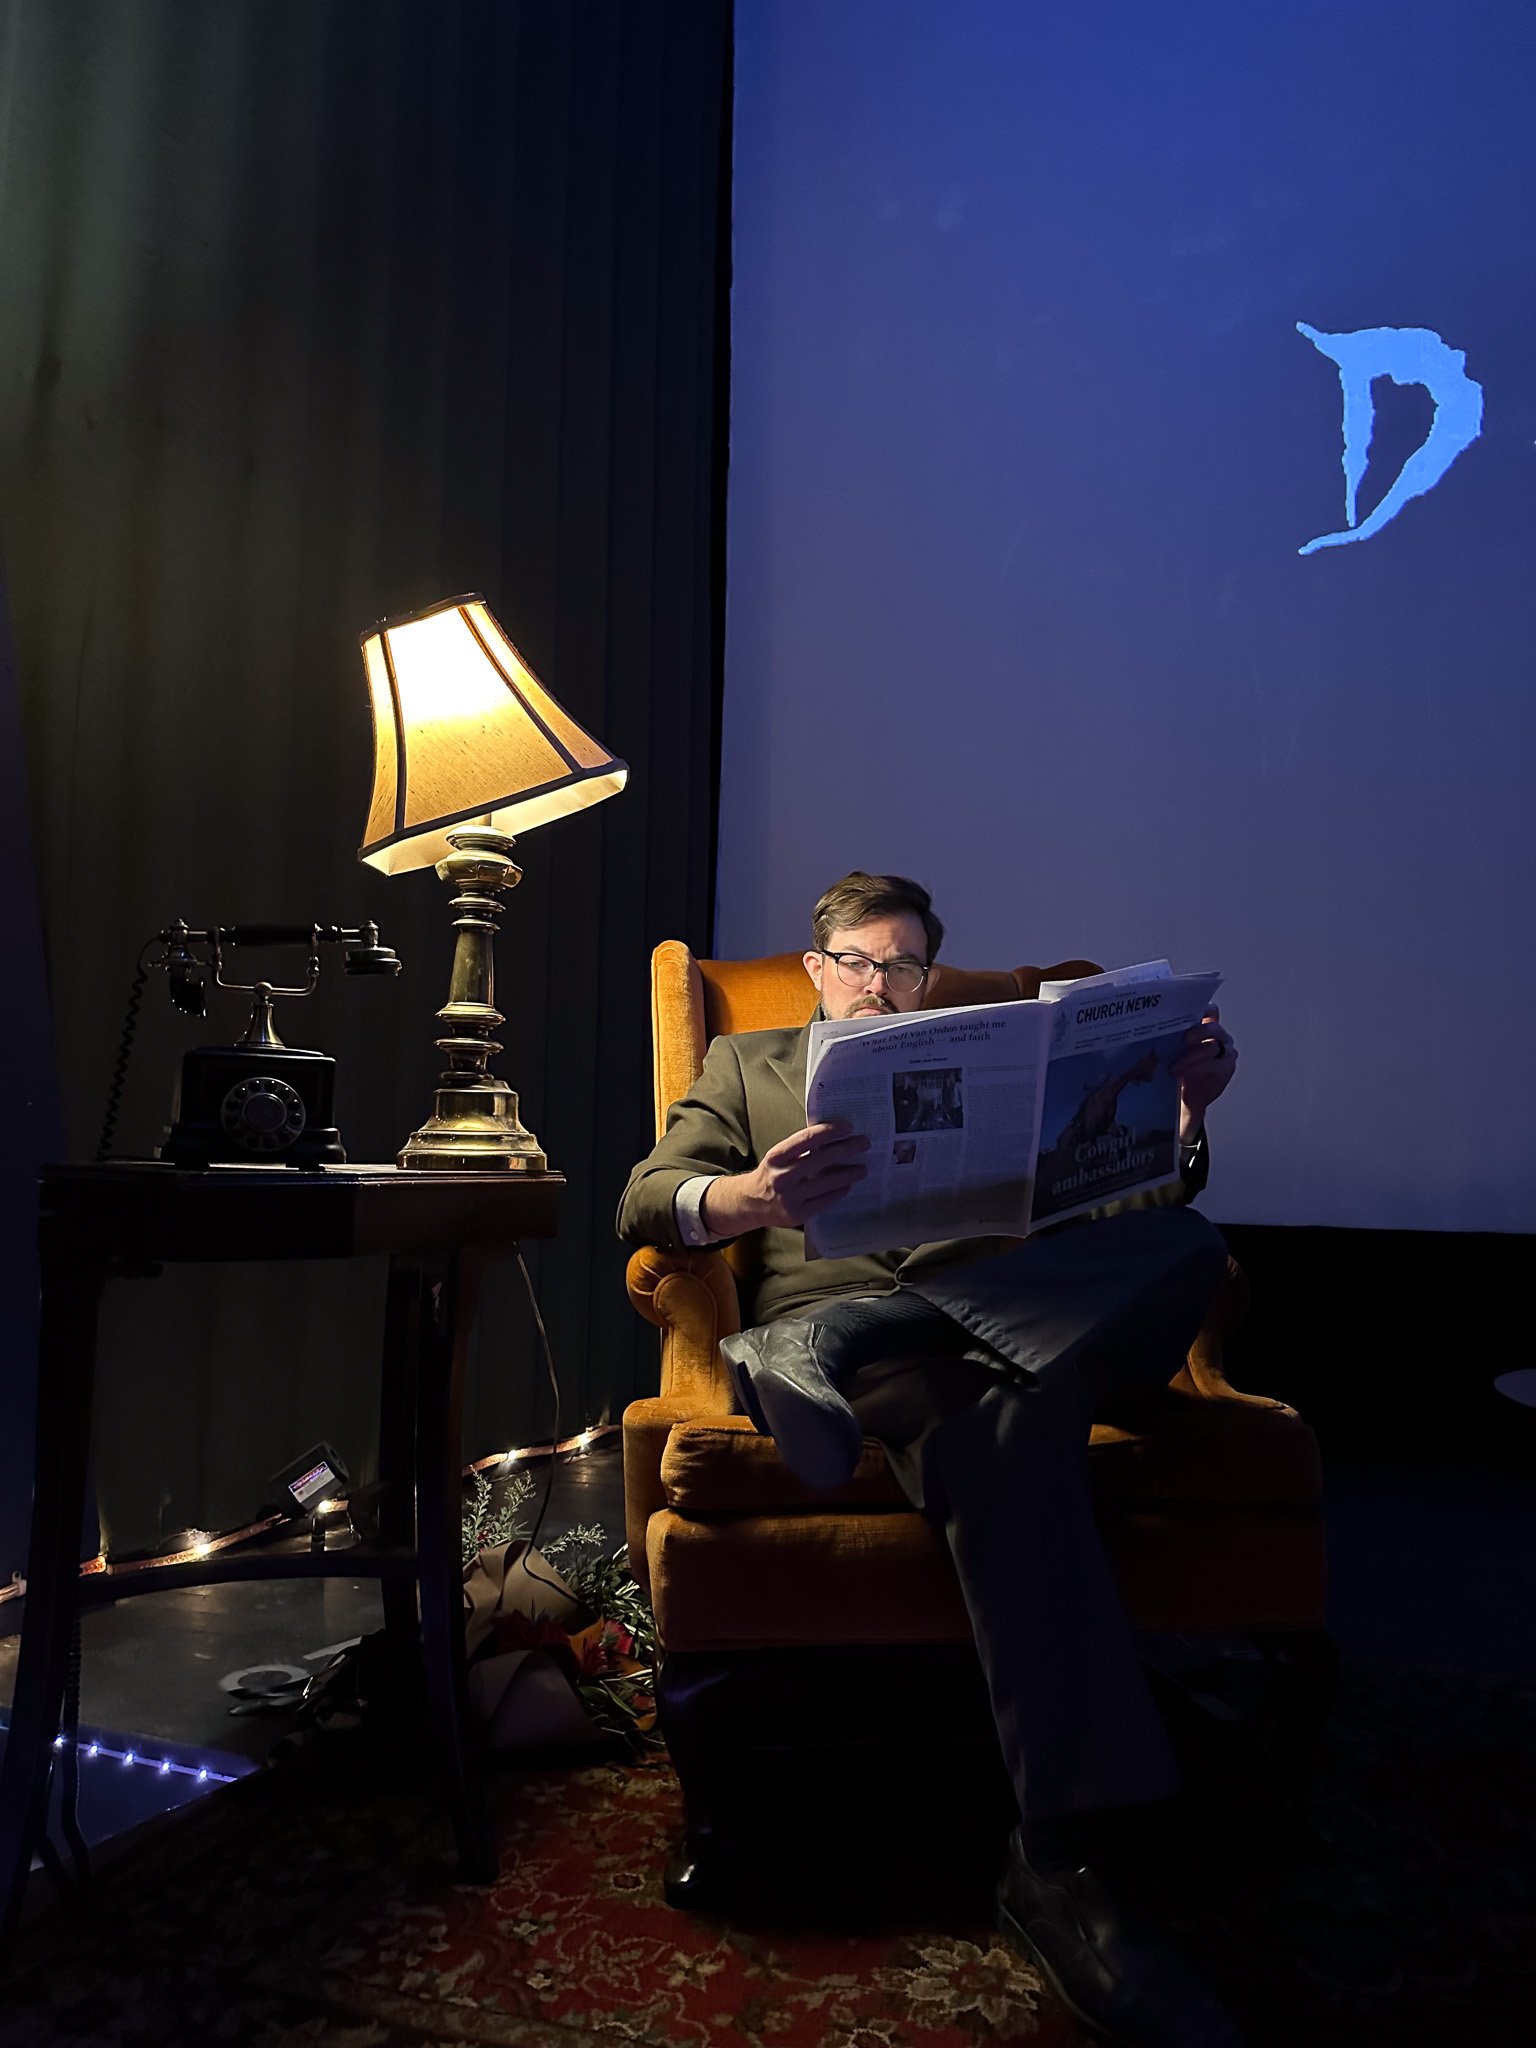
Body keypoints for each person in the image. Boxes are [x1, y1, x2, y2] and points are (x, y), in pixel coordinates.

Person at [618, 872, 1241, 2048]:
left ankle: (846, 1332)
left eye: (904, 966)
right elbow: (647, 1197)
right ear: (816, 967)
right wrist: (748, 1193)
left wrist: (1181, 1115)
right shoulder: (747, 1063)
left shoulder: (991, 1061)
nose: (880, 984)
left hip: (1006, 1316)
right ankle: (1066, 1862)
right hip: (896, 1375)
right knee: (1015, 1414)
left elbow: (1126, 1203)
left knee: (1183, 1243)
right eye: (858, 959)